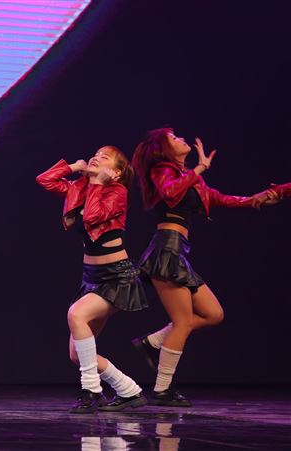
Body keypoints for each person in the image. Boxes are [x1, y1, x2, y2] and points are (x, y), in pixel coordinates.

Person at [131, 128, 278, 406]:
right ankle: (162, 389)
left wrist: (257, 198)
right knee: (183, 322)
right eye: (173, 137)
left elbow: (221, 199)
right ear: (163, 149)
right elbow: (169, 191)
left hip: (178, 250)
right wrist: (199, 168)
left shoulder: (191, 179)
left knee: (213, 314)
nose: (180, 138)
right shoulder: (162, 170)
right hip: (166, 250)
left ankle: (153, 342)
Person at [36, 146, 148, 413]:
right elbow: (44, 180)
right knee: (77, 354)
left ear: (116, 173)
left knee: (76, 314)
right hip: (92, 278)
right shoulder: (80, 187)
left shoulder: (117, 192)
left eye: (104, 157)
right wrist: (74, 167)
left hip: (117, 277)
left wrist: (97, 183)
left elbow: (92, 217)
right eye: (96, 154)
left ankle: (91, 391)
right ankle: (129, 390)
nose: (96, 157)